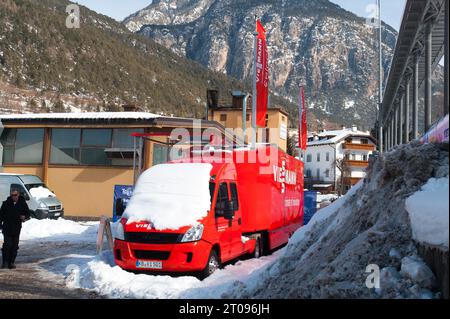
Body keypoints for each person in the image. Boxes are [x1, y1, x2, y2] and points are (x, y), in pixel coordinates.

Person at [0, 189, 30, 269]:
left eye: (15, 195)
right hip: (7, 228)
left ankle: (12, 262)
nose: (14, 197)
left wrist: (24, 217)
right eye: (12, 195)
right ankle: (5, 262)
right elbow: (1, 215)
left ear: (18, 194)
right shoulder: (6, 203)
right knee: (7, 245)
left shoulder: (22, 203)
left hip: (16, 228)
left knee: (14, 246)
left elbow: (28, 213)